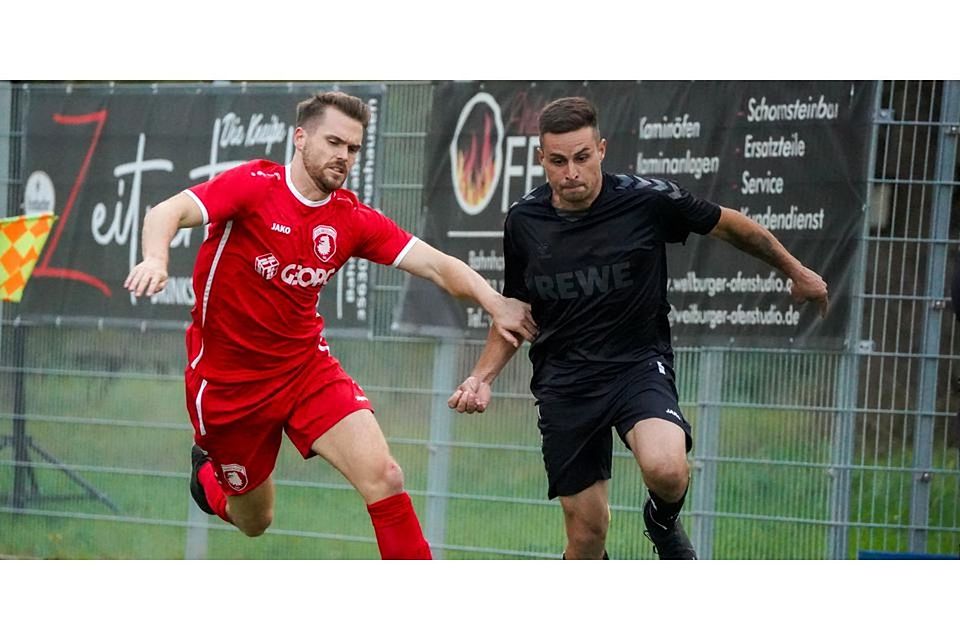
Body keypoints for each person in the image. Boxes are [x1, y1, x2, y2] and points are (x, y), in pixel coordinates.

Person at [124, 91, 536, 560]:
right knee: (254, 521)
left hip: (304, 370)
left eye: (354, 148)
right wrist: (156, 259)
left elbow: (437, 265)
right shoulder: (255, 186)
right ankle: (207, 478)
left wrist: (495, 302)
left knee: (385, 476)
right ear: (300, 138)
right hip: (228, 385)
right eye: (334, 142)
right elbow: (165, 212)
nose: (344, 156)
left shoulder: (350, 218)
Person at [448, 96, 829, 560]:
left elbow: (730, 227)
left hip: (637, 367)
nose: (572, 173)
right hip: (565, 383)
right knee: (587, 537)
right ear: (540, 159)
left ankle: (661, 521)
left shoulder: (646, 201)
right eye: (558, 161)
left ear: (602, 150)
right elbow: (515, 310)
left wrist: (797, 271)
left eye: (583, 158)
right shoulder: (525, 222)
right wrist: (481, 377)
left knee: (668, 469)